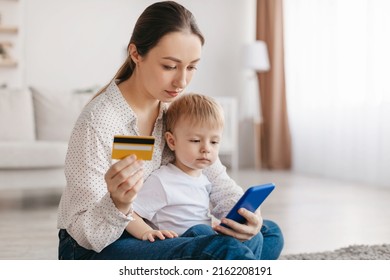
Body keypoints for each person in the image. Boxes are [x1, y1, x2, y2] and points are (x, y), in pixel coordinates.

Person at [57, 1, 284, 260]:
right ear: (135, 54)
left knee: (267, 233)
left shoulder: (174, 113)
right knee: (225, 249)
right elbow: (86, 233)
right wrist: (118, 204)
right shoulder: (98, 122)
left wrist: (245, 216)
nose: (182, 81)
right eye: (169, 66)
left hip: (159, 232)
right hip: (95, 246)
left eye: (191, 67)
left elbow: (218, 179)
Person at [128, 93, 224, 241]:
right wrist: (146, 232)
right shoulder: (162, 180)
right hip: (182, 243)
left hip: (203, 238)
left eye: (214, 142)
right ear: (172, 141)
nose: (206, 149)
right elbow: (129, 212)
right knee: (202, 230)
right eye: (195, 140)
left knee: (270, 231)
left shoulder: (204, 179)